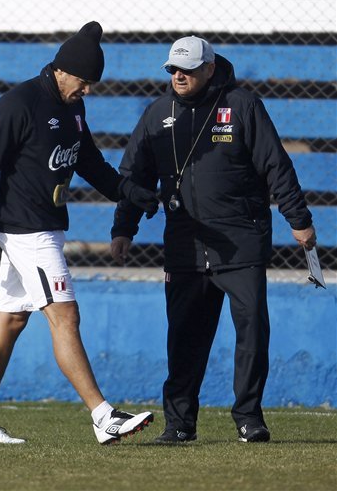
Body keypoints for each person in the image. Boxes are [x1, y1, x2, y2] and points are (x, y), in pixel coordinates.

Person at [0, 21, 158, 445]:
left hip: (46, 226)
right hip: (29, 232)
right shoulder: (18, 103)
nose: (88, 90)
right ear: (62, 70)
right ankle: (103, 417)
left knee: (10, 320)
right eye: (84, 81)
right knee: (65, 315)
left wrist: (129, 192)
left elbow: (89, 162)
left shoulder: (73, 106)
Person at [110, 36, 316, 444]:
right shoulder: (157, 113)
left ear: (209, 68)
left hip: (240, 242)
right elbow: (134, 175)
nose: (178, 76)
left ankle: (248, 417)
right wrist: (123, 228)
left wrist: (298, 218)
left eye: (187, 69)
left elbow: (276, 164)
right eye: (172, 69)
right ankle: (179, 423)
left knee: (252, 333)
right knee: (183, 338)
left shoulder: (243, 106)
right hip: (185, 247)